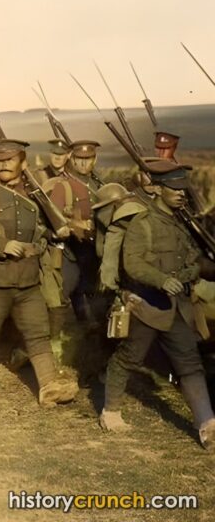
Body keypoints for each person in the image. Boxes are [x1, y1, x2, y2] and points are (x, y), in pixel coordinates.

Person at [100, 162, 215, 449]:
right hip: (145, 306)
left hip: (174, 307)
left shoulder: (178, 223)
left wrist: (189, 274)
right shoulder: (143, 222)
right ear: (159, 189)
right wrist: (162, 280)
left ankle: (206, 422)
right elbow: (133, 264)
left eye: (182, 189)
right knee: (129, 357)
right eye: (173, 189)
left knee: (189, 361)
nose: (180, 194)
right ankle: (110, 412)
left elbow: (190, 259)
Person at [0, 139, 77, 404]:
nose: (3, 165)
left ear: (23, 163)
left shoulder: (35, 198)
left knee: (38, 332)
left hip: (29, 280)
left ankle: (48, 386)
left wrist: (59, 230)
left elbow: (44, 230)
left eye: (10, 160)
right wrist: (2, 245)